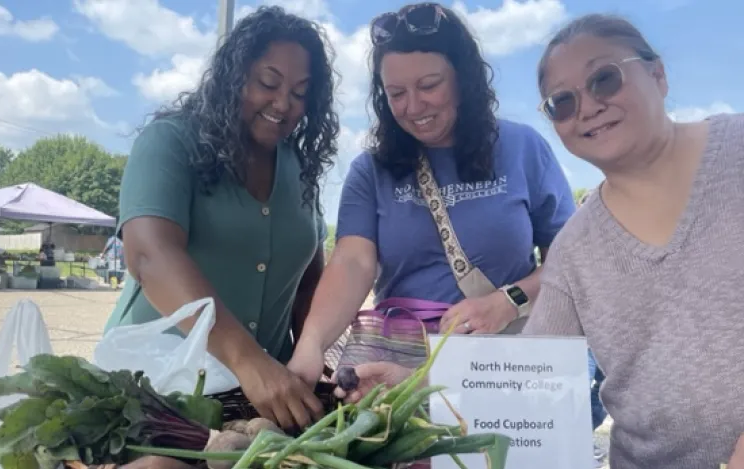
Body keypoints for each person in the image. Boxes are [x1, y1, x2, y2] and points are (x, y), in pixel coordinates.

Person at [336, 13, 744, 469]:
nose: (587, 107)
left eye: (605, 79)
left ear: (657, 73)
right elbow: (527, 380)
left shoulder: (736, 150)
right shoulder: (577, 246)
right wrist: (410, 384)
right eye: (561, 103)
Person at [289, 2, 574, 385]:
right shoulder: (370, 170)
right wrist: (311, 343)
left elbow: (571, 258)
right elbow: (352, 263)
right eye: (396, 93)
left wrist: (508, 301)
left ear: (463, 79)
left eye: (428, 86)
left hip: (501, 361)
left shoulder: (523, 148)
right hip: (393, 363)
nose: (413, 107)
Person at [104, 5, 340, 432]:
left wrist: (314, 360)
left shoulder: (300, 169)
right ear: (235, 76)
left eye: (301, 92)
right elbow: (150, 255)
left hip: (260, 406)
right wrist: (248, 361)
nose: (284, 104)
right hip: (154, 388)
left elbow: (308, 279)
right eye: (268, 82)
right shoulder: (171, 141)